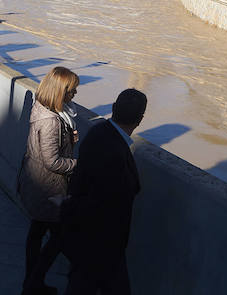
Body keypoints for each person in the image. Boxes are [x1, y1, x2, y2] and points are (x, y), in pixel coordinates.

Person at [61, 89, 147, 295]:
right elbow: (101, 200)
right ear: (140, 119)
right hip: (101, 242)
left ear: (113, 108)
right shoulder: (115, 151)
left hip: (92, 239)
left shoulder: (98, 132)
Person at [18, 67, 80, 295]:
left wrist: (69, 141)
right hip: (49, 187)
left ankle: (31, 283)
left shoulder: (41, 107)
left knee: (37, 232)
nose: (74, 95)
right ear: (60, 91)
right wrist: (78, 165)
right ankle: (34, 283)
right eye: (72, 91)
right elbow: (53, 162)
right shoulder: (52, 121)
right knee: (61, 238)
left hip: (36, 182)